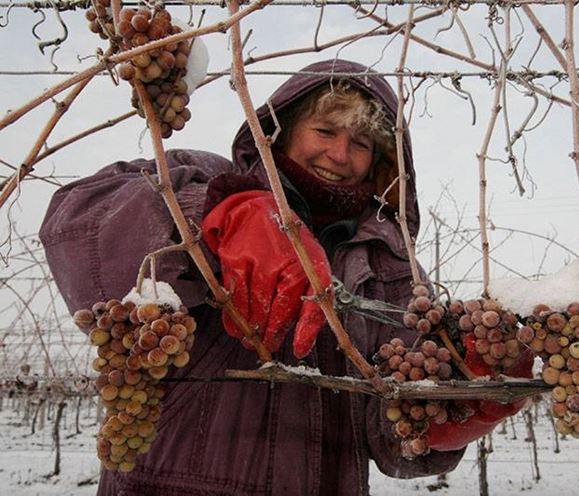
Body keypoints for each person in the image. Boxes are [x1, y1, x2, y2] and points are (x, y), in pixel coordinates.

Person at [39, 59, 531, 496]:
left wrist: (451, 404)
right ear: (285, 130)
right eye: (325, 131)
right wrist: (218, 216)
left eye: (360, 143)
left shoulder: (390, 264)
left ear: (381, 163)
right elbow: (76, 219)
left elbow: (394, 440)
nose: (341, 155)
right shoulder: (204, 178)